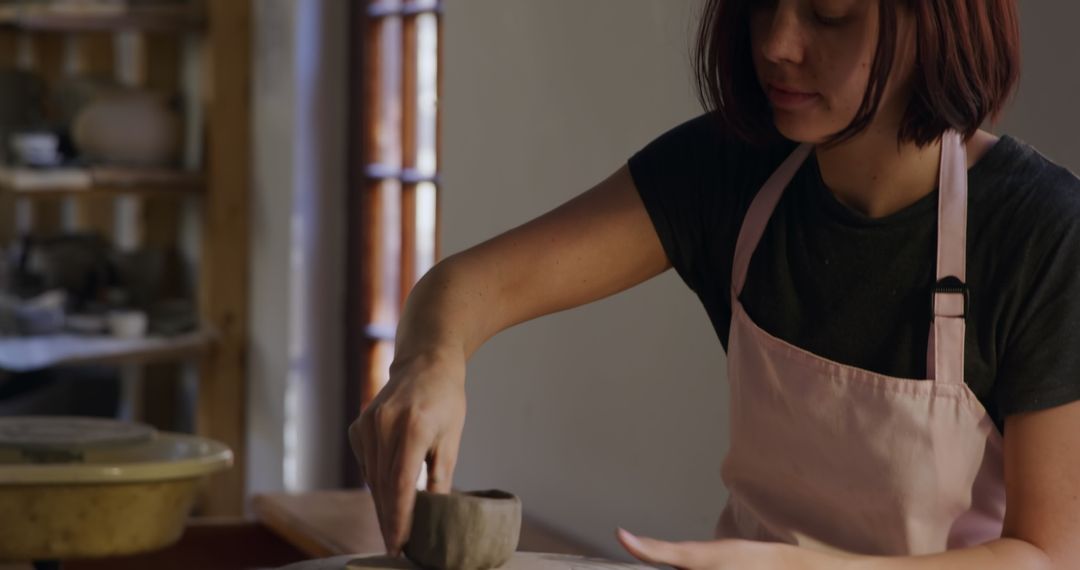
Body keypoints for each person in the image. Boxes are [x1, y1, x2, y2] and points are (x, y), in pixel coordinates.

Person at [349, 0, 1080, 567]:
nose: (776, 45)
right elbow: (469, 287)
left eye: (829, 14)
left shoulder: (1040, 231)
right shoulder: (731, 172)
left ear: (936, 18)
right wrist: (429, 362)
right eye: (763, 4)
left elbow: (1049, 554)